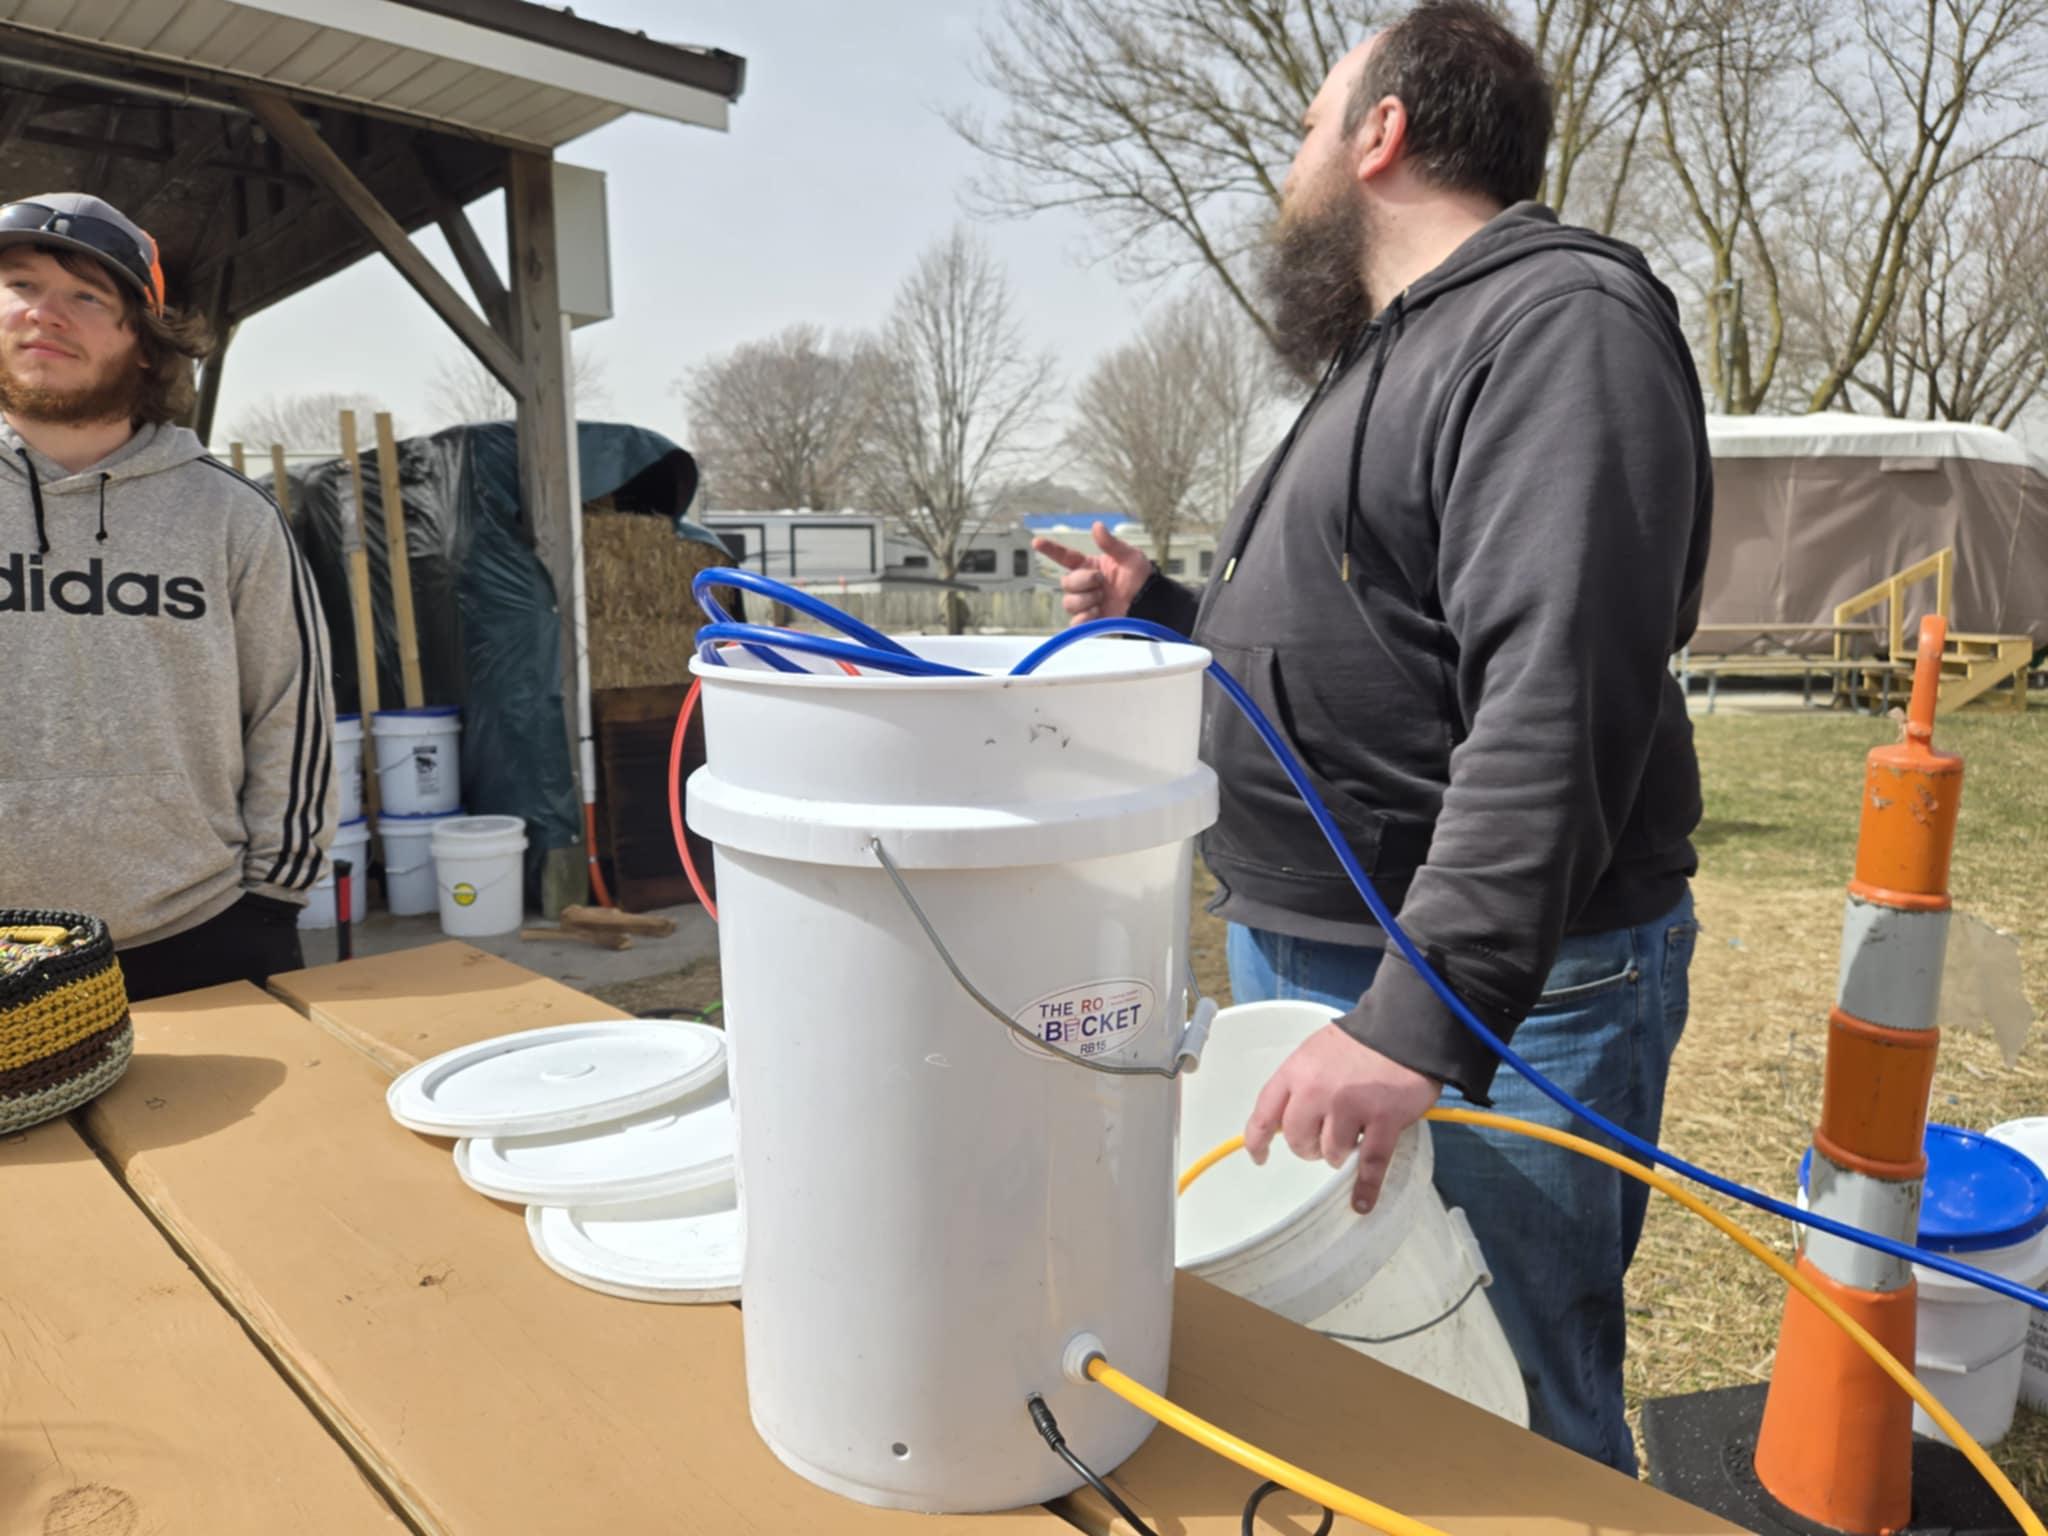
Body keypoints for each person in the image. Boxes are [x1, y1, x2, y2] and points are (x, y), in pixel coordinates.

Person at [1035, 2, 1710, 1474]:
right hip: (1329, 952)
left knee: (1510, 1385)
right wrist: (1163, 606)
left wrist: (1424, 1010)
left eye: (1306, 130)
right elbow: (1384, 628)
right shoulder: (1397, 350)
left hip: (1494, 994)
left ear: (1382, 135)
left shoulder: (1559, 326)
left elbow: (1560, 686)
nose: (1291, 170)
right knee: (1369, 1355)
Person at [0, 192, 336, 1001]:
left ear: (146, 345)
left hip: (197, 934)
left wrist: (271, 904)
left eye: (87, 295)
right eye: (20, 285)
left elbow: (293, 714)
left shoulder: (231, 516)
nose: (47, 314)